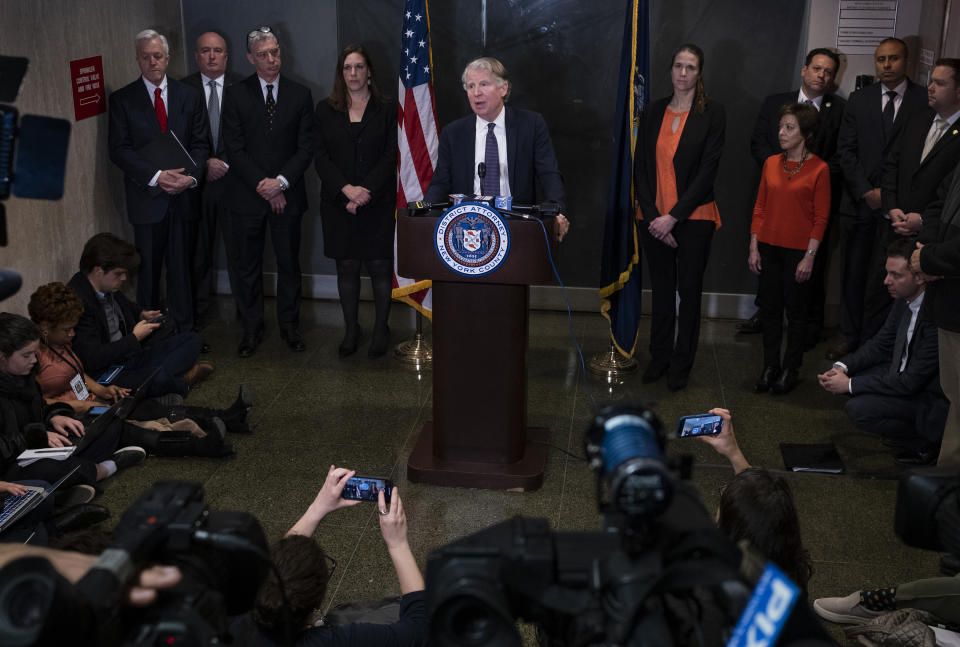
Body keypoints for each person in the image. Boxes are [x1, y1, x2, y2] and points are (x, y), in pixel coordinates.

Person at [28, 282, 243, 458]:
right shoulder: (32, 356)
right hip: (74, 416)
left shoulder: (59, 342)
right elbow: (40, 403)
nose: (73, 334)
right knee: (132, 430)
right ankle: (202, 446)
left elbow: (76, 372)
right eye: (67, 329)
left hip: (93, 402)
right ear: (45, 327)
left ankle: (224, 418)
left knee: (148, 407)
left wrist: (102, 391)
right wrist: (83, 405)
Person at [229, 465, 426, 646]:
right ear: (317, 601)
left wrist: (319, 507)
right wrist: (398, 544)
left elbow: (276, 569)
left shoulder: (230, 620)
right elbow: (420, 629)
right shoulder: (335, 641)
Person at [829, 37, 928, 361]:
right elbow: (845, 149)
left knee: (887, 278)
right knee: (853, 274)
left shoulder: (921, 102)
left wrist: (887, 196)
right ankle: (848, 334)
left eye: (893, 59)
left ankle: (879, 340)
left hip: (897, 208)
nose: (886, 65)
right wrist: (865, 191)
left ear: (907, 61)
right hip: (858, 203)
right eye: (881, 59)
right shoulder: (860, 99)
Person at [634, 44, 725, 392]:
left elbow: (707, 172)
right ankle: (659, 357)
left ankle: (681, 363)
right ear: (670, 70)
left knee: (688, 293)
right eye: (678, 66)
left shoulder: (713, 113)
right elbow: (641, 167)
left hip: (694, 218)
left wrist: (674, 218)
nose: (683, 74)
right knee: (660, 291)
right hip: (653, 218)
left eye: (690, 67)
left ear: (700, 73)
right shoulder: (654, 110)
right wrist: (657, 217)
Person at [108, 29, 211, 333]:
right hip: (147, 200)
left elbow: (201, 144)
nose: (152, 62)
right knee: (149, 273)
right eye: (145, 57)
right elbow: (119, 150)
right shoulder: (123, 100)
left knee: (182, 271)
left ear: (168, 58)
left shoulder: (188, 95)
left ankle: (184, 335)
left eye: (157, 56)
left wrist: (190, 178)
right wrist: (156, 177)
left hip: (183, 197)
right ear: (137, 59)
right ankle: (149, 336)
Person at [221, 26, 315, 357]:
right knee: (247, 266)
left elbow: (305, 148)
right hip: (247, 197)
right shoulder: (235, 94)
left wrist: (281, 184)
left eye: (275, 51)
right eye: (263, 54)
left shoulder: (301, 94)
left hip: (288, 196)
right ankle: (252, 327)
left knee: (289, 263)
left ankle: (290, 326)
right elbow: (234, 148)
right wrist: (265, 185)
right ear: (250, 58)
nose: (272, 58)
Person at [741, 48, 845, 346]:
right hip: (774, 194)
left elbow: (840, 156)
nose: (822, 75)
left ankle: (808, 327)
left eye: (828, 72)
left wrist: (805, 174)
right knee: (767, 260)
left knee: (809, 268)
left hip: (810, 201)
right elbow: (758, 142)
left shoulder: (838, 110)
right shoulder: (775, 102)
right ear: (804, 70)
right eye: (817, 69)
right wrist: (779, 172)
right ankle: (766, 314)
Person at [818, 238, 947, 465]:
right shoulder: (904, 299)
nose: (887, 281)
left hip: (928, 398)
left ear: (919, 277)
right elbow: (881, 344)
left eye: (895, 275)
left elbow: (911, 382)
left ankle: (925, 441)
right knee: (853, 378)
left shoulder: (936, 316)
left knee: (858, 408)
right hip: (903, 378)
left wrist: (848, 384)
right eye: (887, 273)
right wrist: (842, 367)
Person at [423, 56, 570, 241]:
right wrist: (425, 217)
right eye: (471, 86)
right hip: (468, 229)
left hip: (517, 226)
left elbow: (549, 174)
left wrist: (557, 212)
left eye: (484, 84)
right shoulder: (453, 133)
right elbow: (440, 183)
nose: (476, 93)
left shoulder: (531, 125)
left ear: (503, 88)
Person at [314, 45, 398, 359]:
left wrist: (364, 192)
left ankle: (380, 328)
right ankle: (352, 329)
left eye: (359, 67)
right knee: (346, 267)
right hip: (338, 202)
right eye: (348, 68)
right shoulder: (325, 109)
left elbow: (391, 155)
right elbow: (320, 156)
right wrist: (347, 190)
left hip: (376, 202)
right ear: (341, 73)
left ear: (369, 71)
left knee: (379, 265)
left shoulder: (388, 108)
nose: (353, 74)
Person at [0, 313, 145, 489]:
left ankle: (73, 479)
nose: (33, 360)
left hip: (39, 446)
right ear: (2, 356)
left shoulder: (24, 374)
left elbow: (40, 408)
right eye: (26, 355)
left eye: (34, 353)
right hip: (13, 465)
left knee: (104, 423)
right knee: (46, 469)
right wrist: (37, 436)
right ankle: (102, 470)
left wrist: (54, 416)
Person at [67, 233, 213, 400]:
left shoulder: (104, 284)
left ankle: (163, 378)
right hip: (108, 371)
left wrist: (141, 313)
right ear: (99, 270)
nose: (124, 278)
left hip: (129, 355)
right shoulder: (79, 301)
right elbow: (93, 359)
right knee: (158, 378)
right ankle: (184, 381)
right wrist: (134, 338)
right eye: (119, 274)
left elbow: (125, 304)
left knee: (192, 339)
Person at [749, 103, 830, 394]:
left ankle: (790, 369)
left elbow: (821, 218)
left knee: (796, 315)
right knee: (769, 311)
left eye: (789, 127)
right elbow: (760, 207)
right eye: (781, 126)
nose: (781, 132)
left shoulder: (820, 169)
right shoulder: (771, 163)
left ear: (806, 134)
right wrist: (753, 246)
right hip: (768, 247)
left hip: (799, 252)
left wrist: (810, 256)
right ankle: (769, 365)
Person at [182, 31, 245, 337]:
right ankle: (198, 315)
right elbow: (177, 138)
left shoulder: (243, 88)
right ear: (196, 56)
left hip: (235, 184)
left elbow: (250, 135)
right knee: (198, 254)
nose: (211, 56)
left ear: (226, 55)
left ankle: (247, 315)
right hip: (198, 185)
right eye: (205, 51)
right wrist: (203, 163)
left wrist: (227, 163)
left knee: (240, 255)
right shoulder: (182, 89)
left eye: (217, 50)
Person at [911, 163, 960, 466]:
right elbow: (938, 200)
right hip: (949, 305)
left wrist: (930, 258)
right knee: (954, 396)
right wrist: (927, 249)